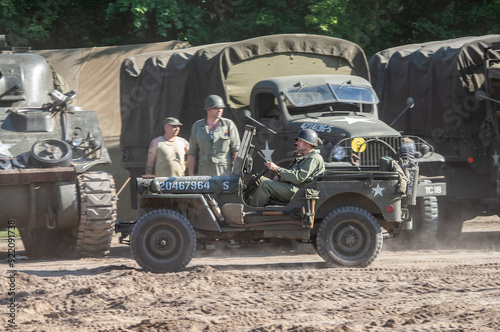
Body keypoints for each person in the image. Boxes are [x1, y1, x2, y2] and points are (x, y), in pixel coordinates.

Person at [250, 128, 325, 207]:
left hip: (299, 191)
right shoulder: (306, 157)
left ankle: (252, 212)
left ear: (308, 143)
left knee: (265, 184)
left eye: (299, 140)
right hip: (292, 187)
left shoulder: (314, 158)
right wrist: (279, 175)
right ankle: (242, 205)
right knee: (256, 179)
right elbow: (294, 174)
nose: (296, 143)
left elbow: (298, 177)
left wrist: (277, 169)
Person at [187, 95, 240, 176]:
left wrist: (236, 173)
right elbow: (192, 153)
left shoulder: (228, 125)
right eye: (216, 108)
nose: (219, 110)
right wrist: (191, 174)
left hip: (224, 172)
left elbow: (236, 151)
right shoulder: (197, 126)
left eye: (221, 108)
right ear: (208, 109)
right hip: (204, 171)